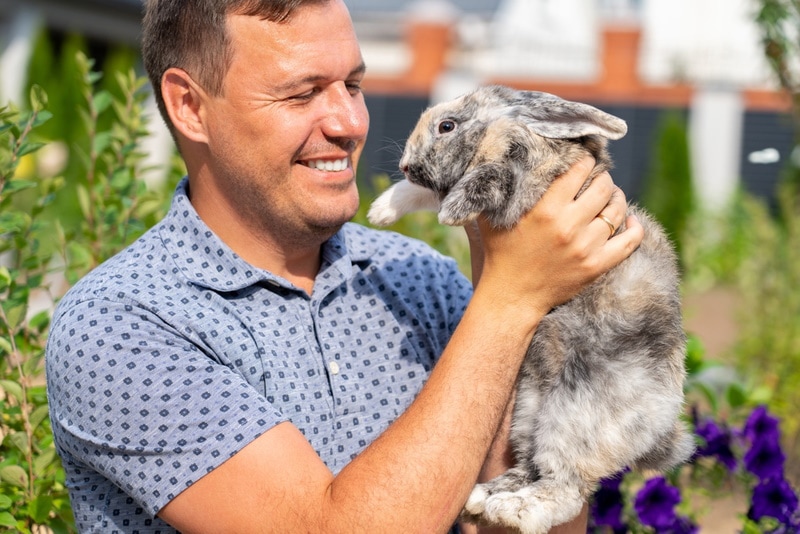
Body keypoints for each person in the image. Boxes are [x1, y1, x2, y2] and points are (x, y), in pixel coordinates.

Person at [45, 0, 643, 532]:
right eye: (301, 93)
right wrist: (512, 300)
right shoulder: (122, 326)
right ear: (189, 107)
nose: (350, 124)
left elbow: (525, 519)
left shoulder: (418, 278)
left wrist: (505, 250)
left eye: (352, 85)